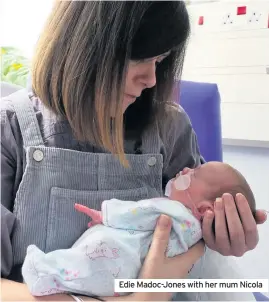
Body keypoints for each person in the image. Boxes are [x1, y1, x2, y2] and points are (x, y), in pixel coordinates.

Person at [1, 1, 266, 301]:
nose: (152, 79)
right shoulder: (10, 128)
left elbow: (194, 235)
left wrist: (225, 237)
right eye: (141, 56)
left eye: (160, 60)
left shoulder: (170, 127)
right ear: (83, 45)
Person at [21, 161, 257, 298]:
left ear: (205, 209)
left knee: (84, 260)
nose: (185, 169)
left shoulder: (174, 212)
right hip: (133, 280)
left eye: (193, 174)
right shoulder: (192, 234)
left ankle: (44, 272)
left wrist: (107, 214)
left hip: (121, 260)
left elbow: (138, 213)